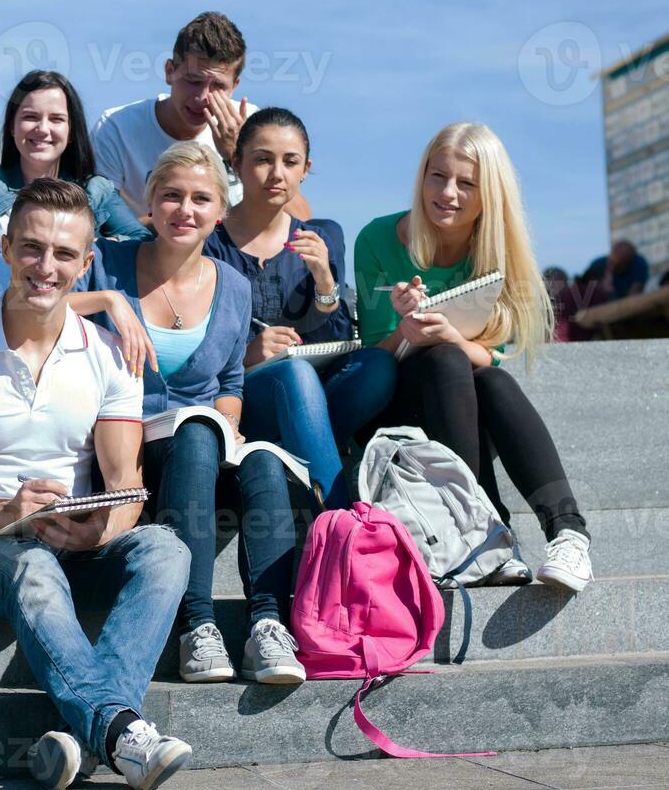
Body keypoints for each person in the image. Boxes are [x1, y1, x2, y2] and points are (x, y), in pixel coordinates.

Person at [0, 179, 194, 790]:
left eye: (64, 255)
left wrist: (99, 528)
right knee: (29, 562)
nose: (45, 267)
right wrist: (3, 513)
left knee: (167, 550)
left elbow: (126, 486)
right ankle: (122, 732)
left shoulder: (111, 356)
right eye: (32, 249)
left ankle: (93, 733)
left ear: (87, 265)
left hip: (69, 543)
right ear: (6, 249)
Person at [70, 143, 307, 687]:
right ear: (149, 205)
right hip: (123, 441)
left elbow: (228, 381)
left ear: (219, 212)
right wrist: (109, 301)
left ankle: (268, 624)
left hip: (198, 455)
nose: (185, 209)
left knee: (263, 461)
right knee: (197, 430)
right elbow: (40, 308)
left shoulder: (235, 287)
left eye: (201, 199)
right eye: (171, 196)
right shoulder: (107, 261)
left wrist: (229, 426)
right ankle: (196, 626)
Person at [354, 122, 593, 592]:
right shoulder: (378, 239)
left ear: (490, 195)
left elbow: (494, 356)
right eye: (437, 176)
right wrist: (410, 330)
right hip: (395, 405)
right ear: (421, 175)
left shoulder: (498, 252)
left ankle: (567, 532)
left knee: (489, 379)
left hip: (470, 399)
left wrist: (452, 339)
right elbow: (375, 360)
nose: (447, 193)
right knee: (443, 359)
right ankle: (484, 527)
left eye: (466, 184)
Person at [203, 108, 397, 510]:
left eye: (290, 162)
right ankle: (340, 516)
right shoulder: (208, 243)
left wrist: (325, 281)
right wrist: (247, 355)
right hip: (242, 397)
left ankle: (290, 461)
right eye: (262, 159)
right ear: (236, 163)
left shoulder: (323, 234)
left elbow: (339, 336)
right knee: (291, 373)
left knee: (378, 367)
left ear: (306, 169)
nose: (277, 173)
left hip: (313, 392)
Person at [91, 11, 311, 221]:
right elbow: (101, 223)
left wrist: (239, 156)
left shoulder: (253, 128)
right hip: (146, 252)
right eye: (193, 81)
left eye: (217, 85)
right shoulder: (117, 127)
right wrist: (185, 225)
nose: (203, 97)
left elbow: (303, 221)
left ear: (234, 86)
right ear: (169, 72)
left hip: (233, 255)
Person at [0, 69, 149, 253]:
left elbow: (143, 241)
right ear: (11, 126)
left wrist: (96, 246)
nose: (43, 129)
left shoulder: (96, 190)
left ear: (71, 131)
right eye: (30, 117)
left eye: (56, 119)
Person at [582, 240, 649, 300]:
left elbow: (634, 295)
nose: (611, 268)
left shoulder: (639, 264)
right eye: (610, 263)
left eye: (617, 266)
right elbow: (588, 297)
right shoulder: (597, 265)